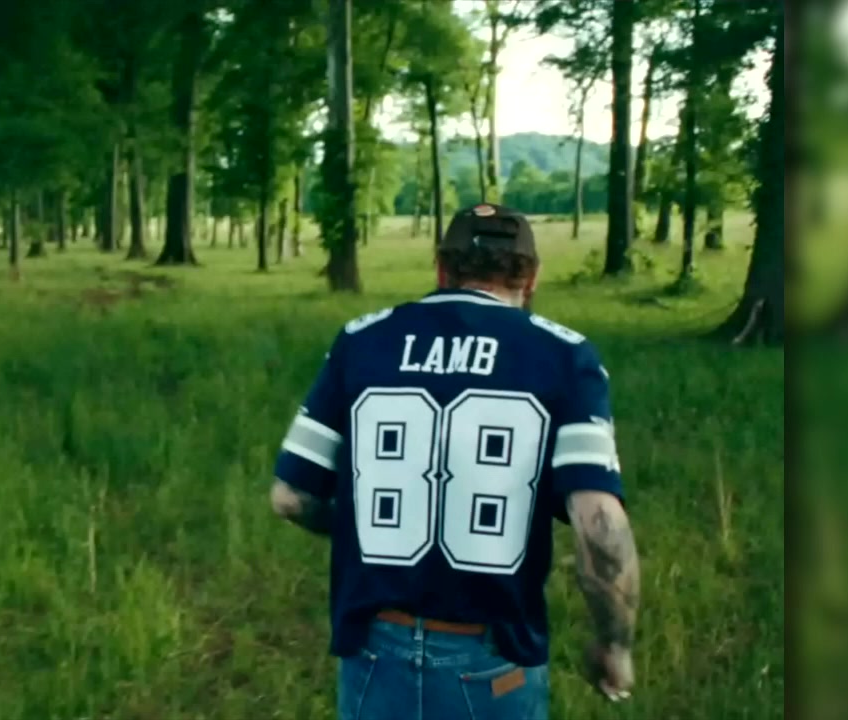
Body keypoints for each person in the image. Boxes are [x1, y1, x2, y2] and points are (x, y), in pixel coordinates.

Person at [269, 204, 640, 719]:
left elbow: (290, 497)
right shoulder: (566, 355)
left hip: (375, 645)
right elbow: (600, 523)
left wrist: (359, 530)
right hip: (493, 657)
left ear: (441, 269)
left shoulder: (361, 340)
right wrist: (615, 646)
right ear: (531, 277)